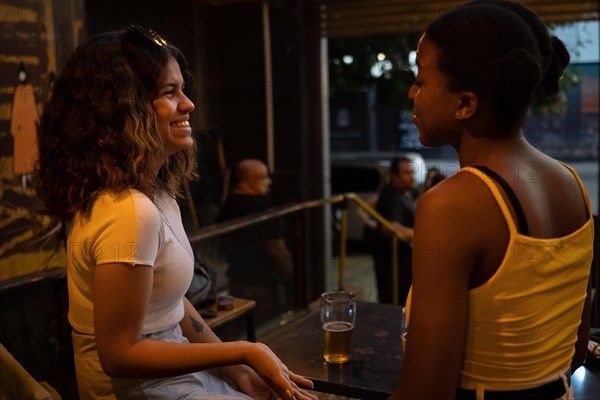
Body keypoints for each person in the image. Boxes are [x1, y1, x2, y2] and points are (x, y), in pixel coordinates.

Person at [35, 25, 316, 400]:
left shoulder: (156, 194)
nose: (189, 104)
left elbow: (167, 305)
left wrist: (238, 371)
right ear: (123, 109)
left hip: (175, 374)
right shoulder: (128, 211)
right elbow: (119, 355)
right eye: (170, 92)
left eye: (183, 89)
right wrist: (246, 350)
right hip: (140, 389)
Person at [391, 1, 593, 399]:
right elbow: (577, 346)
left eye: (420, 79)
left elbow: (426, 393)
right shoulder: (572, 183)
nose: (412, 92)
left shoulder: (451, 205)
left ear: (464, 103)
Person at [216, 159, 294, 320]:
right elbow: (277, 252)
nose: (269, 182)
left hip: (236, 281)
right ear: (250, 181)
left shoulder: (228, 205)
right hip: (261, 285)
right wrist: (290, 281)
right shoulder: (263, 212)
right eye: (265, 177)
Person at [373, 157, 417, 305]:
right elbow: (389, 227)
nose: (412, 177)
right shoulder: (391, 196)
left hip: (402, 265)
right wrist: (419, 235)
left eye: (412, 172)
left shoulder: (401, 194)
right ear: (393, 176)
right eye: (406, 173)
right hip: (395, 268)